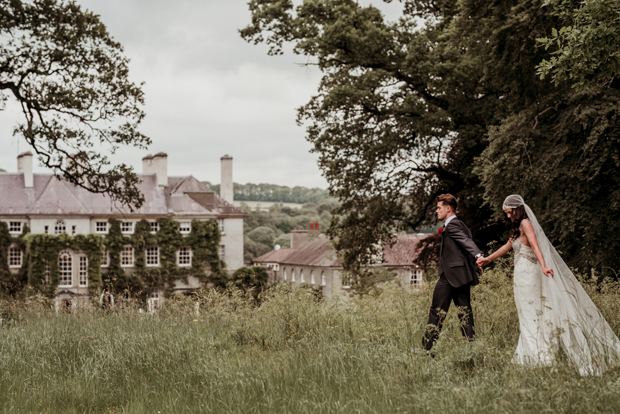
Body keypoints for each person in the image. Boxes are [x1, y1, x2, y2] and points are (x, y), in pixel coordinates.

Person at [478, 194, 620, 375]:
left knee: (532, 310)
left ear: (516, 210)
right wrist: (488, 259)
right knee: (525, 311)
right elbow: (507, 247)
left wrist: (544, 266)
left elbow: (536, 246)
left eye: (508, 212)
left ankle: (538, 355)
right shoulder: (517, 228)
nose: (507, 216)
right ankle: (531, 352)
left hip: (529, 274)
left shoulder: (526, 224)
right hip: (520, 275)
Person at [419, 194, 484, 352]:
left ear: (448, 209)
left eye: (439, 208)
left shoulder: (453, 225)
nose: (436, 211)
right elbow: (465, 240)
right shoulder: (461, 224)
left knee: (436, 311)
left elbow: (465, 241)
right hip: (462, 276)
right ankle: (471, 348)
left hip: (449, 276)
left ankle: (427, 350)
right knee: (465, 313)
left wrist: (478, 254)